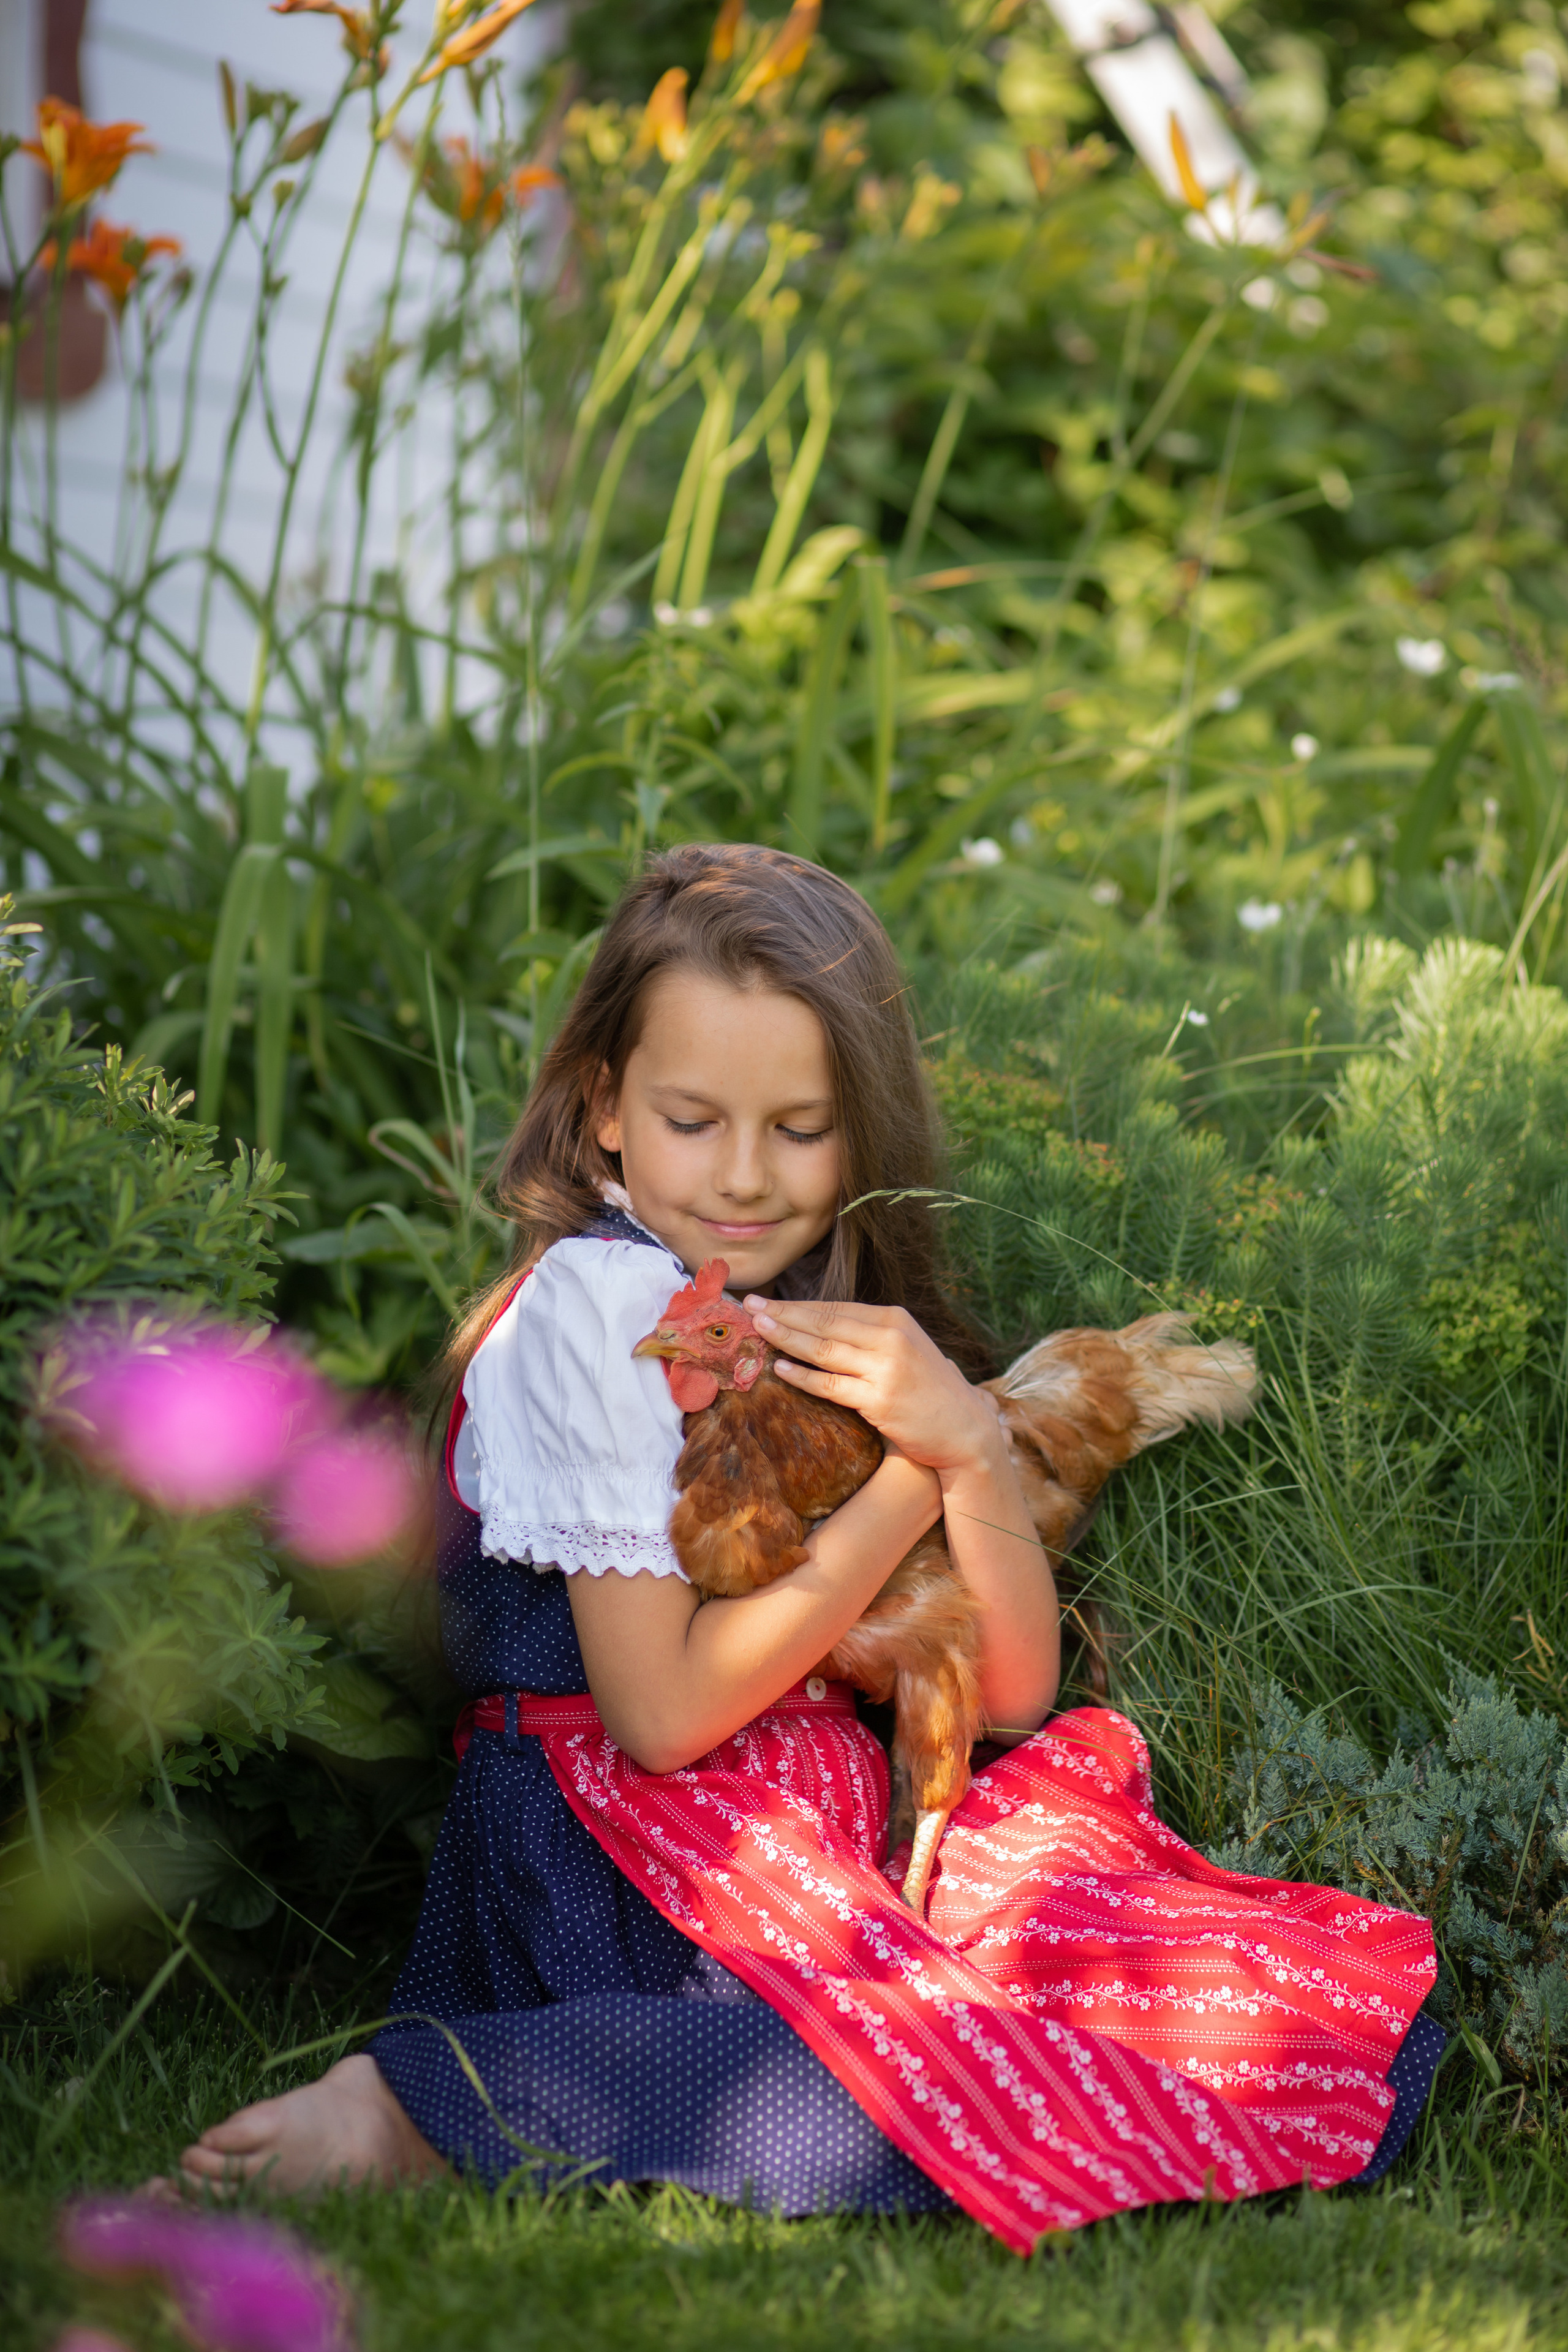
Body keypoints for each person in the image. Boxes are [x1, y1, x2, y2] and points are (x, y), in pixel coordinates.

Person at [172, 844, 1445, 2248]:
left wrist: (962, 1440)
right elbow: (657, 1719)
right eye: (691, 1118)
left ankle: (739, 2057)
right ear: (602, 1110)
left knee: (1221, 2000)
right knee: (887, 2086)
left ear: (860, 1132)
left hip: (820, 1841)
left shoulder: (810, 1322)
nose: (742, 1174)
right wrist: (913, 1476)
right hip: (623, 1871)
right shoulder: (602, 1318)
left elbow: (1010, 1693)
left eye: (798, 1127)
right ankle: (425, 2105)